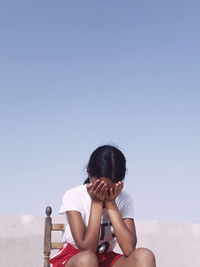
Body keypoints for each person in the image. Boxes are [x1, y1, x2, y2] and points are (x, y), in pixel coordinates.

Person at [49, 145, 156, 267]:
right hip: (75, 258)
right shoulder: (74, 195)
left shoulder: (124, 198)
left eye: (112, 186)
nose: (105, 191)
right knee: (88, 259)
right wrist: (96, 203)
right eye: (101, 185)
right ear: (89, 173)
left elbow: (129, 249)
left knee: (144, 256)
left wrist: (111, 204)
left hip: (106, 258)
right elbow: (87, 249)